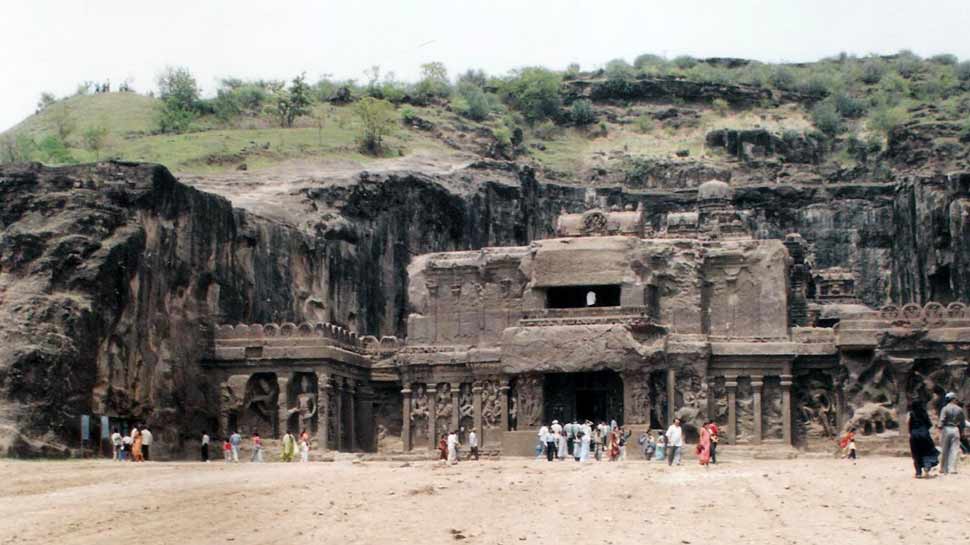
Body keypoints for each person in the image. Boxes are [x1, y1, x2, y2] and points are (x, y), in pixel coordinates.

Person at [907, 400, 938, 478]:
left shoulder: (911, 414)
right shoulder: (924, 413)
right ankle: (927, 466)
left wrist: (913, 432)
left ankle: (918, 472)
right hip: (924, 435)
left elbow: (909, 425)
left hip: (914, 436)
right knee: (927, 451)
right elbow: (929, 424)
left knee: (916, 453)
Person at [938, 392, 966, 475]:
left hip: (946, 429)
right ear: (953, 399)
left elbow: (941, 421)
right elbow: (962, 423)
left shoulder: (945, 408)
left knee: (944, 449)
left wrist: (939, 429)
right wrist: (962, 432)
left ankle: (943, 468)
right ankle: (952, 469)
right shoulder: (959, 409)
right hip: (955, 429)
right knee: (954, 450)